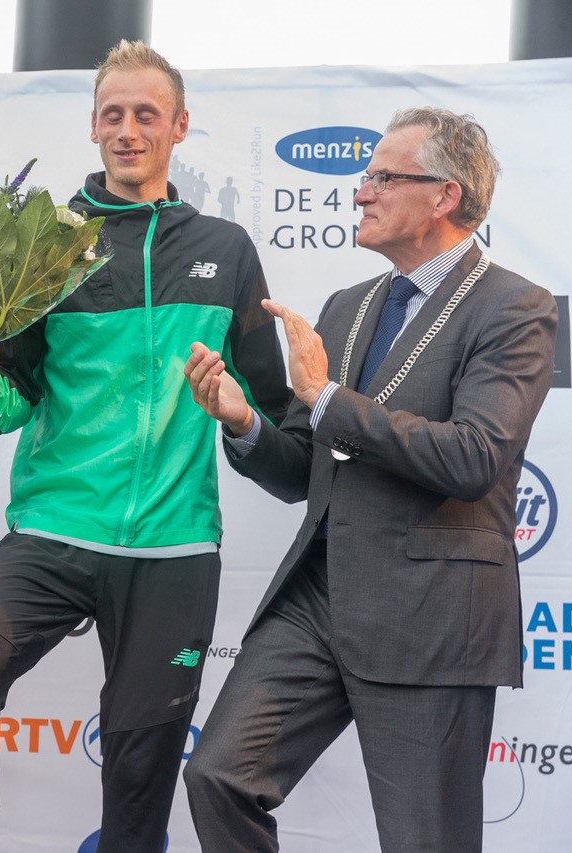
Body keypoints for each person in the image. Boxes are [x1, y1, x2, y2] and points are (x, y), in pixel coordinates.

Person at [0, 41, 289, 853]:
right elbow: (9, 403)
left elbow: (275, 432)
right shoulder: (48, 244)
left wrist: (238, 417)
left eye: (146, 115)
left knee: (139, 766)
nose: (129, 130)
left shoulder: (227, 250)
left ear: (179, 127)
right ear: (93, 125)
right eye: (113, 115)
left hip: (174, 546)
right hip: (54, 527)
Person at [182, 108, 558, 852]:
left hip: (432, 613)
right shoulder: (347, 307)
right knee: (218, 775)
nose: (361, 192)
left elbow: (475, 456)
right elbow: (302, 470)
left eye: (383, 177)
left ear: (445, 195)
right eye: (365, 176)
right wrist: (244, 422)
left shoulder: (516, 308)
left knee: (427, 840)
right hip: (317, 599)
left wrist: (325, 398)